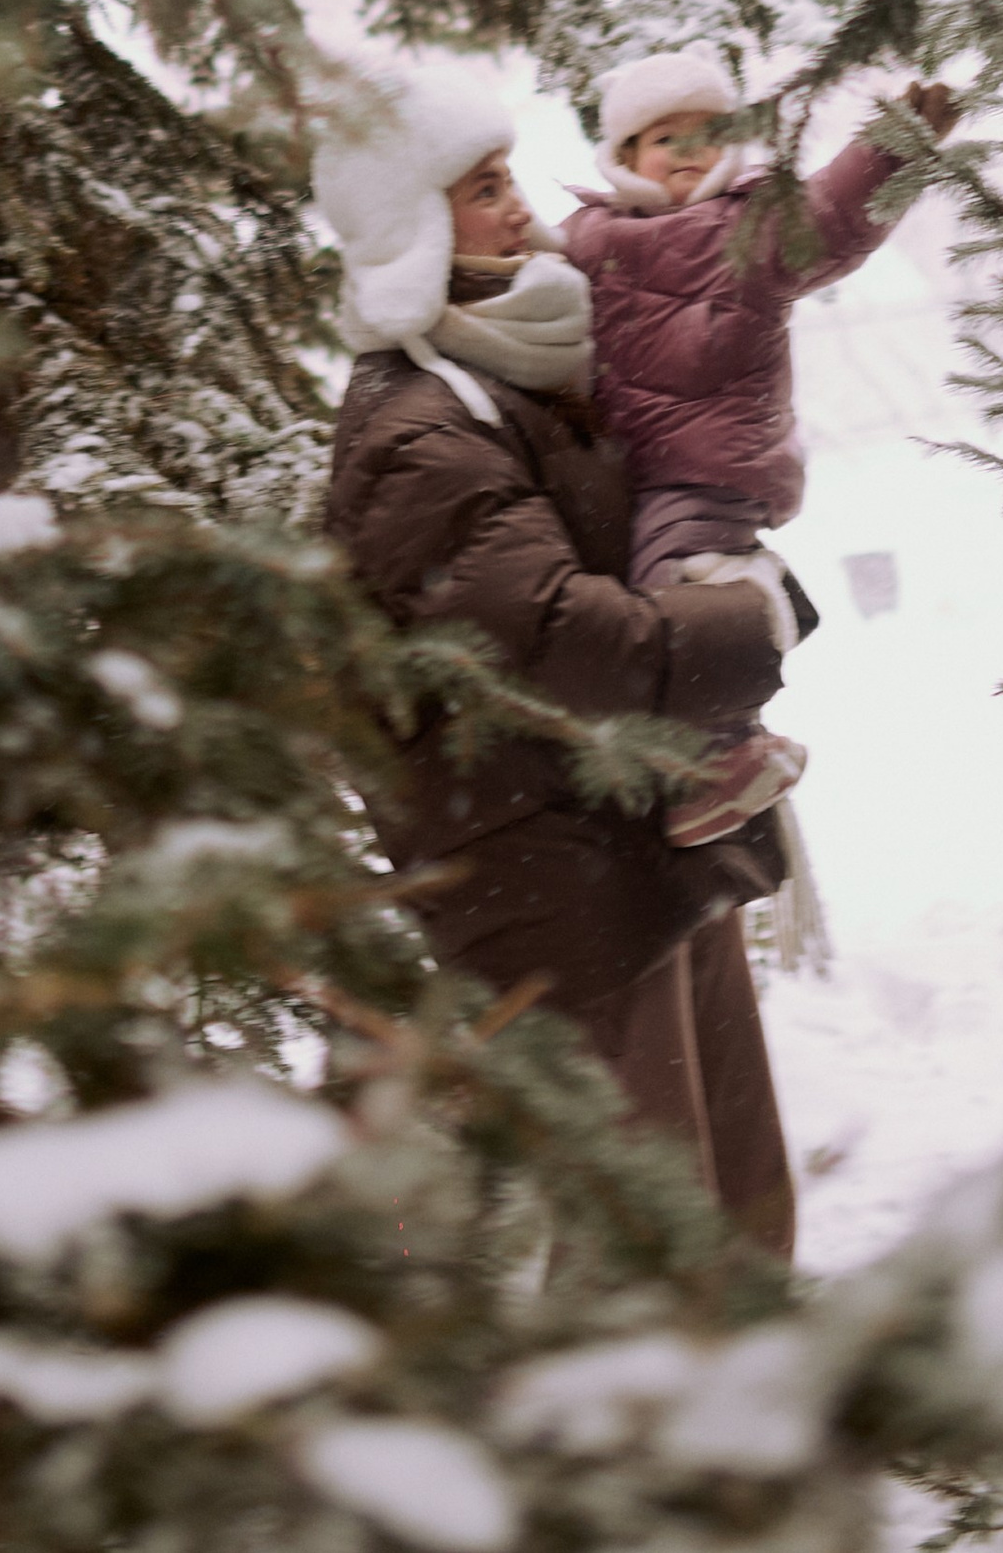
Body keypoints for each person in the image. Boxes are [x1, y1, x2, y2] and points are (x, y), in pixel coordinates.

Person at [316, 62, 801, 1256]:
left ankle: (756, 1377)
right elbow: (563, 639)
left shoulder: (525, 369)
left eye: (508, 176)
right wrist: (754, 617)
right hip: (559, 893)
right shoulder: (417, 427)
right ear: (416, 227)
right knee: (648, 1242)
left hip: (644, 840)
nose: (519, 205)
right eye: (482, 188)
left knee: (735, 1201)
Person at [561, 44, 957, 847]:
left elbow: (833, 215)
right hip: (631, 472)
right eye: (666, 138)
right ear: (625, 155)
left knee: (678, 595)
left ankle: (723, 755)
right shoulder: (588, 239)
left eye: (708, 134)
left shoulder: (751, 227)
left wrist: (893, 148)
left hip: (715, 463)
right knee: (639, 605)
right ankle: (699, 734)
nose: (689, 151)